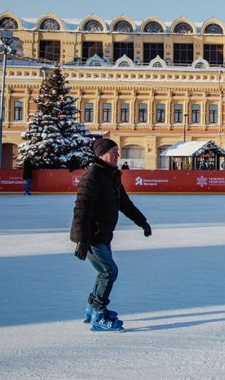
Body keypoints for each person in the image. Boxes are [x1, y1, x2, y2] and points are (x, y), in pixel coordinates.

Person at [70, 138, 152, 332]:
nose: (118, 155)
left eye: (118, 151)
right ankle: (98, 315)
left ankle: (92, 309)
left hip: (104, 234)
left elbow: (124, 203)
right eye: (113, 151)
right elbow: (81, 209)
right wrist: (82, 239)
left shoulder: (111, 175)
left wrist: (142, 221)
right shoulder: (92, 176)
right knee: (109, 272)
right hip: (92, 235)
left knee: (104, 272)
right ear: (101, 154)